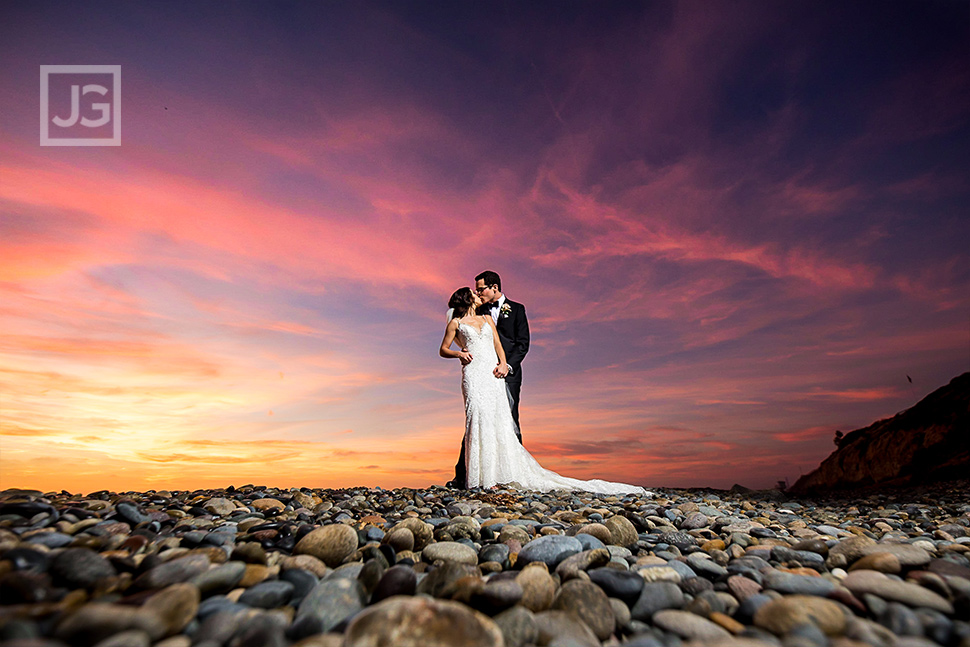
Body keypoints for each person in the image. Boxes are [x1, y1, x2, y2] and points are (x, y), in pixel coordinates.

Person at [439, 287, 650, 495]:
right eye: (474, 293)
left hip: (492, 373)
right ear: (466, 299)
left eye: (479, 290)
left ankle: (495, 476)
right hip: (474, 374)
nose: (477, 295)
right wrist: (458, 354)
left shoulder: (487, 320)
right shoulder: (456, 323)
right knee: (476, 417)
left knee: (497, 419)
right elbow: (443, 349)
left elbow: (498, 344)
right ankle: (474, 476)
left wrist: (503, 363)